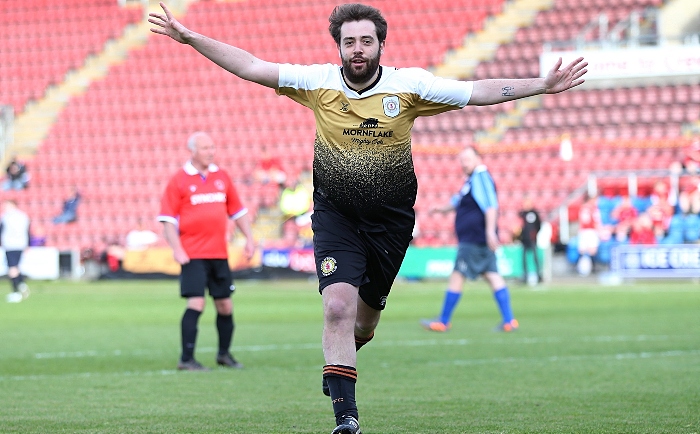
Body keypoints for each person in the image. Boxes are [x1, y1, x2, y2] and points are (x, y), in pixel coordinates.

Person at [149, 3, 587, 431]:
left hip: (391, 225)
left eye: (366, 41)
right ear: (338, 46)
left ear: (380, 45)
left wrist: (541, 86)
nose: (357, 48)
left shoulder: (410, 86)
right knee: (337, 307)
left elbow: (478, 91)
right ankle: (346, 418)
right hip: (336, 217)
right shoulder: (317, 82)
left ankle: (340, 361)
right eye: (349, 41)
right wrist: (189, 38)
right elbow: (251, 66)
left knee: (364, 322)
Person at [158, 131, 256, 372]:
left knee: (225, 306)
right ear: (192, 150)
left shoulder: (222, 177)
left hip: (219, 254)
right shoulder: (179, 180)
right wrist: (177, 248)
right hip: (192, 255)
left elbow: (238, 212)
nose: (211, 152)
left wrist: (250, 239)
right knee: (197, 303)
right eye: (205, 148)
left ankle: (224, 354)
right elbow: (167, 220)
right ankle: (186, 358)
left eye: (212, 147)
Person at [420, 147, 518, 334]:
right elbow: (458, 202)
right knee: (492, 274)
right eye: (461, 160)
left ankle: (443, 320)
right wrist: (441, 209)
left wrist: (490, 231)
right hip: (477, 237)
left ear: (478, 159)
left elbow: (491, 206)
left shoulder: (480, 176)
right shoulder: (472, 180)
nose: (463, 163)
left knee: (458, 274)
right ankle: (509, 321)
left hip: (474, 238)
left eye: (467, 159)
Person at [1, 200, 30, 303]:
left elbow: (1, 230)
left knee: (12, 269)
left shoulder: (6, 217)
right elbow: (28, 231)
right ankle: (21, 284)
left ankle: (16, 292)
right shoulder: (23, 216)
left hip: (10, 245)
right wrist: (27, 244)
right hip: (20, 245)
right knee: (15, 267)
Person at [516, 195, 542, 284]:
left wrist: (534, 234)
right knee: (524, 259)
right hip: (524, 239)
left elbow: (538, 225)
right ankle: (524, 276)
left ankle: (539, 275)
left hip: (532, 239)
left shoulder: (534, 213)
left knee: (535, 258)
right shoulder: (522, 214)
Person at [576, 193, 601, 276]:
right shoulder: (593, 209)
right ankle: (592, 269)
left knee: (583, 250)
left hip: (583, 231)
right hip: (591, 231)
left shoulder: (583, 208)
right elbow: (596, 221)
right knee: (592, 250)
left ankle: (582, 269)